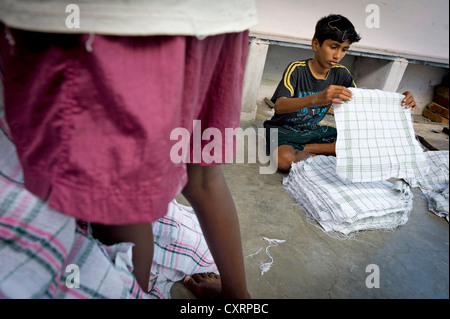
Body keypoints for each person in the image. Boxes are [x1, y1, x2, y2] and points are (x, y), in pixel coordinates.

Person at [0, 0, 257, 298]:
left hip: (112, 21)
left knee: (120, 202)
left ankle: (134, 289)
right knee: (203, 172)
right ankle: (237, 297)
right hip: (216, 18)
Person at [264, 14, 417, 172]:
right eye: (333, 47)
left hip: (312, 132)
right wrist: (317, 98)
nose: (338, 56)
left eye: (344, 49)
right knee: (284, 160)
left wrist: (399, 100)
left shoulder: (342, 74)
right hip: (282, 130)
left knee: (365, 144)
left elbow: (362, 104)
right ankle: (329, 153)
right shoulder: (297, 69)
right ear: (316, 44)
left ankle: (309, 150)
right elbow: (279, 106)